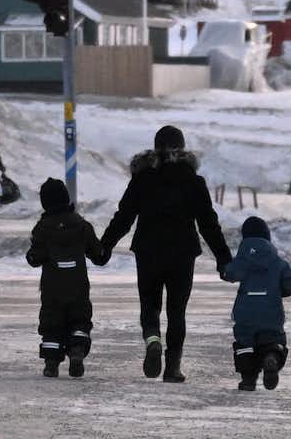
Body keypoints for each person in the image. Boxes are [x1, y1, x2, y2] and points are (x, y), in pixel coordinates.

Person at [97, 124, 232, 382]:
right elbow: (208, 223)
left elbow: (124, 217)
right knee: (176, 311)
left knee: (150, 304)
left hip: (148, 251)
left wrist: (105, 246)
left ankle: (152, 341)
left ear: (155, 147)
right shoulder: (193, 181)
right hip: (182, 253)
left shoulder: (142, 178)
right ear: (182, 149)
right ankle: (172, 368)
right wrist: (223, 257)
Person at [26, 177, 108, 377]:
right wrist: (103, 252)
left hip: (52, 288)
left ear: (45, 202)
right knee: (79, 319)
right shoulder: (81, 225)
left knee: (51, 323)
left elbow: (35, 258)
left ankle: (51, 363)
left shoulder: (43, 227)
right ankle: (77, 350)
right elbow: (98, 254)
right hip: (78, 286)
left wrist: (33, 255)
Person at [221, 215, 291, 391]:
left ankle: (248, 380)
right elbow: (289, 283)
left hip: (245, 312)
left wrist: (226, 269)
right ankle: (271, 356)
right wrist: (282, 291)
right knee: (272, 340)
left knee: (245, 345)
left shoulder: (243, 259)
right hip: (271, 312)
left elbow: (230, 273)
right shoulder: (278, 262)